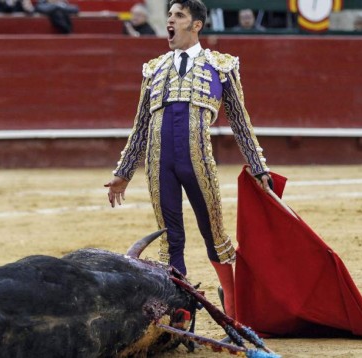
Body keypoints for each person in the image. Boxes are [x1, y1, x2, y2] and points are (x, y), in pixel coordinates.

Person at [104, 0, 272, 319]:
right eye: (169, 15)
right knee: (171, 239)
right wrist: (123, 171)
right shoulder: (153, 69)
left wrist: (259, 165)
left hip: (198, 162)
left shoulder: (220, 66)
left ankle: (234, 309)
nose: (171, 20)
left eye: (178, 15)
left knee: (214, 233)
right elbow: (140, 124)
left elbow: (240, 121)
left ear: (196, 25)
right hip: (158, 164)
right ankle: (181, 315)